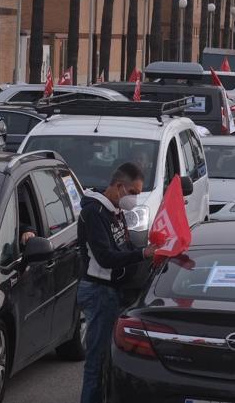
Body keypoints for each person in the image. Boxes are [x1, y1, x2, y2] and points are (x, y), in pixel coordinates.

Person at [77, 163, 157, 403]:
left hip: (112, 291)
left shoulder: (115, 211)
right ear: (119, 186)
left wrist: (147, 252)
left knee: (108, 360)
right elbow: (106, 257)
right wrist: (142, 254)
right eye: (133, 192)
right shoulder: (95, 213)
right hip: (98, 290)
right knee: (96, 361)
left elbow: (126, 247)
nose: (135, 198)